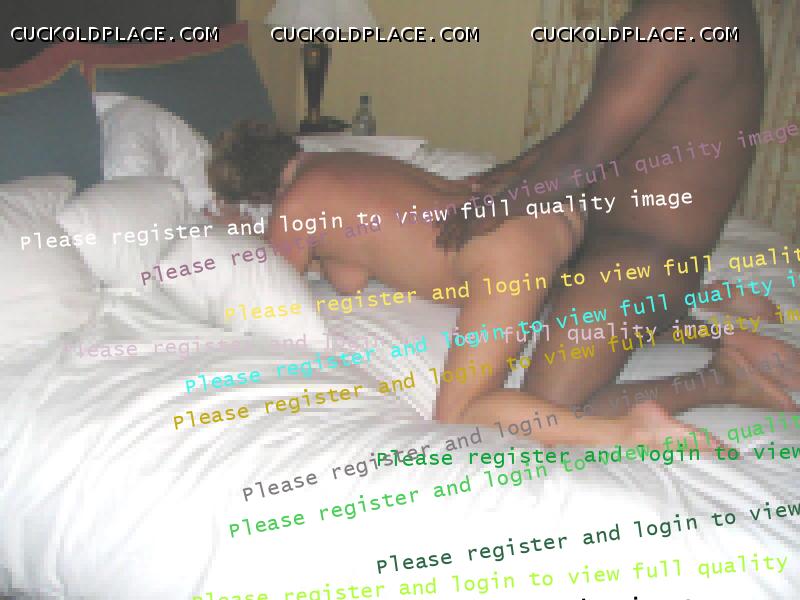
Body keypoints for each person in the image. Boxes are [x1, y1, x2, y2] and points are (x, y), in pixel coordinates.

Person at [434, 0, 799, 442]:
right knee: (531, 277)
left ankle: (720, 379)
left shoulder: (672, 18)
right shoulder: (710, 12)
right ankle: (704, 327)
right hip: (648, 262)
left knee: (548, 415)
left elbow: (580, 158)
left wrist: (491, 211)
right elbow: (597, 132)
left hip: (632, 270)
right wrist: (506, 174)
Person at [206, 119, 584, 433]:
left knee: (459, 413)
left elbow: (270, 281)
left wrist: (239, 232)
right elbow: (351, 275)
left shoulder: (294, 207)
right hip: (540, 215)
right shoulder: (346, 161)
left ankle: (616, 434)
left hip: (501, 245)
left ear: (257, 196)